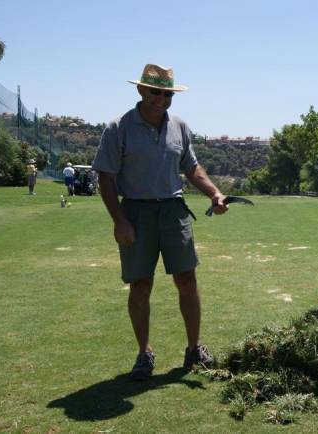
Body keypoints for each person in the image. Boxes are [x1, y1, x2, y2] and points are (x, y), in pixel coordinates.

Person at [92, 63, 228, 380]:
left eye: (167, 94)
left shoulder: (179, 126)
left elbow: (192, 168)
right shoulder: (119, 127)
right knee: (141, 284)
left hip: (173, 210)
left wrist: (215, 193)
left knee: (187, 281)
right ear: (141, 90)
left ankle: (194, 348)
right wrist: (119, 220)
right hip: (136, 212)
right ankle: (145, 353)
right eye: (156, 92)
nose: (162, 99)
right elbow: (106, 178)